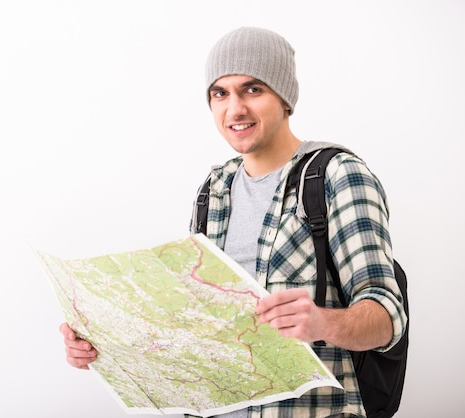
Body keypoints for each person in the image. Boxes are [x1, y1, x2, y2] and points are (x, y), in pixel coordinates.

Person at [60, 26, 407, 418]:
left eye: (253, 89)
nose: (235, 108)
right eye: (220, 93)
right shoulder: (214, 188)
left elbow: (386, 318)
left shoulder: (336, 175)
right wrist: (104, 343)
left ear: (285, 99)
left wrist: (322, 322)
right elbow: (195, 323)